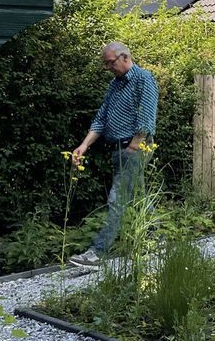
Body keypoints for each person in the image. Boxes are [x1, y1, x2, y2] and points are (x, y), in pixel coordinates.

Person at [67, 42, 158, 267]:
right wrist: (84, 145)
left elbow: (147, 116)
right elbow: (101, 118)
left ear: (124, 57)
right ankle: (157, 241)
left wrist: (133, 147)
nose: (108, 67)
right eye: (105, 64)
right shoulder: (114, 85)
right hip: (118, 149)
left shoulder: (143, 78)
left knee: (117, 199)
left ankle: (97, 253)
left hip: (133, 148)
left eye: (111, 63)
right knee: (140, 197)